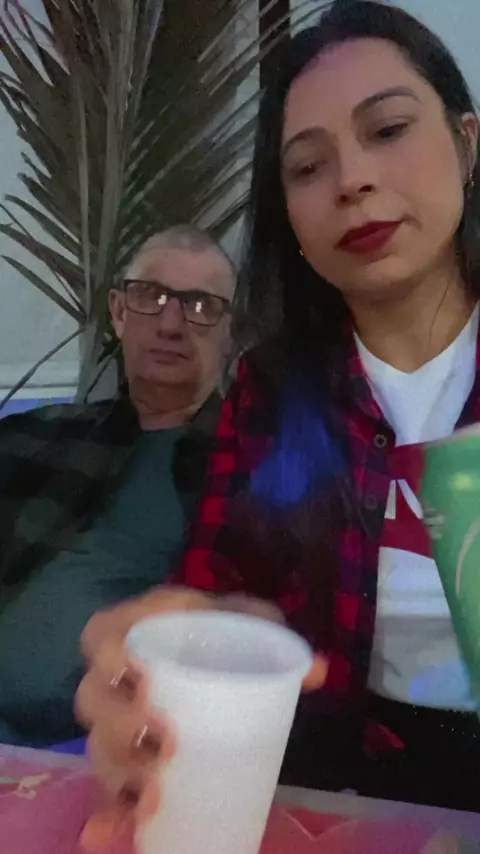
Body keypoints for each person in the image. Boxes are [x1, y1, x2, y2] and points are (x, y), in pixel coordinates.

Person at [77, 0, 480, 832]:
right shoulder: (268, 389)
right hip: (316, 794)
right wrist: (170, 651)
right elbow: (222, 596)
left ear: (467, 144)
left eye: (388, 130)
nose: (351, 180)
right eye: (306, 166)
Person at [0, 225, 233, 747]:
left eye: (199, 306)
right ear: (119, 311)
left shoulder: (243, 465)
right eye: (151, 296)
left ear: (229, 331)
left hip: (92, 750)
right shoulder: (36, 436)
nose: (171, 323)